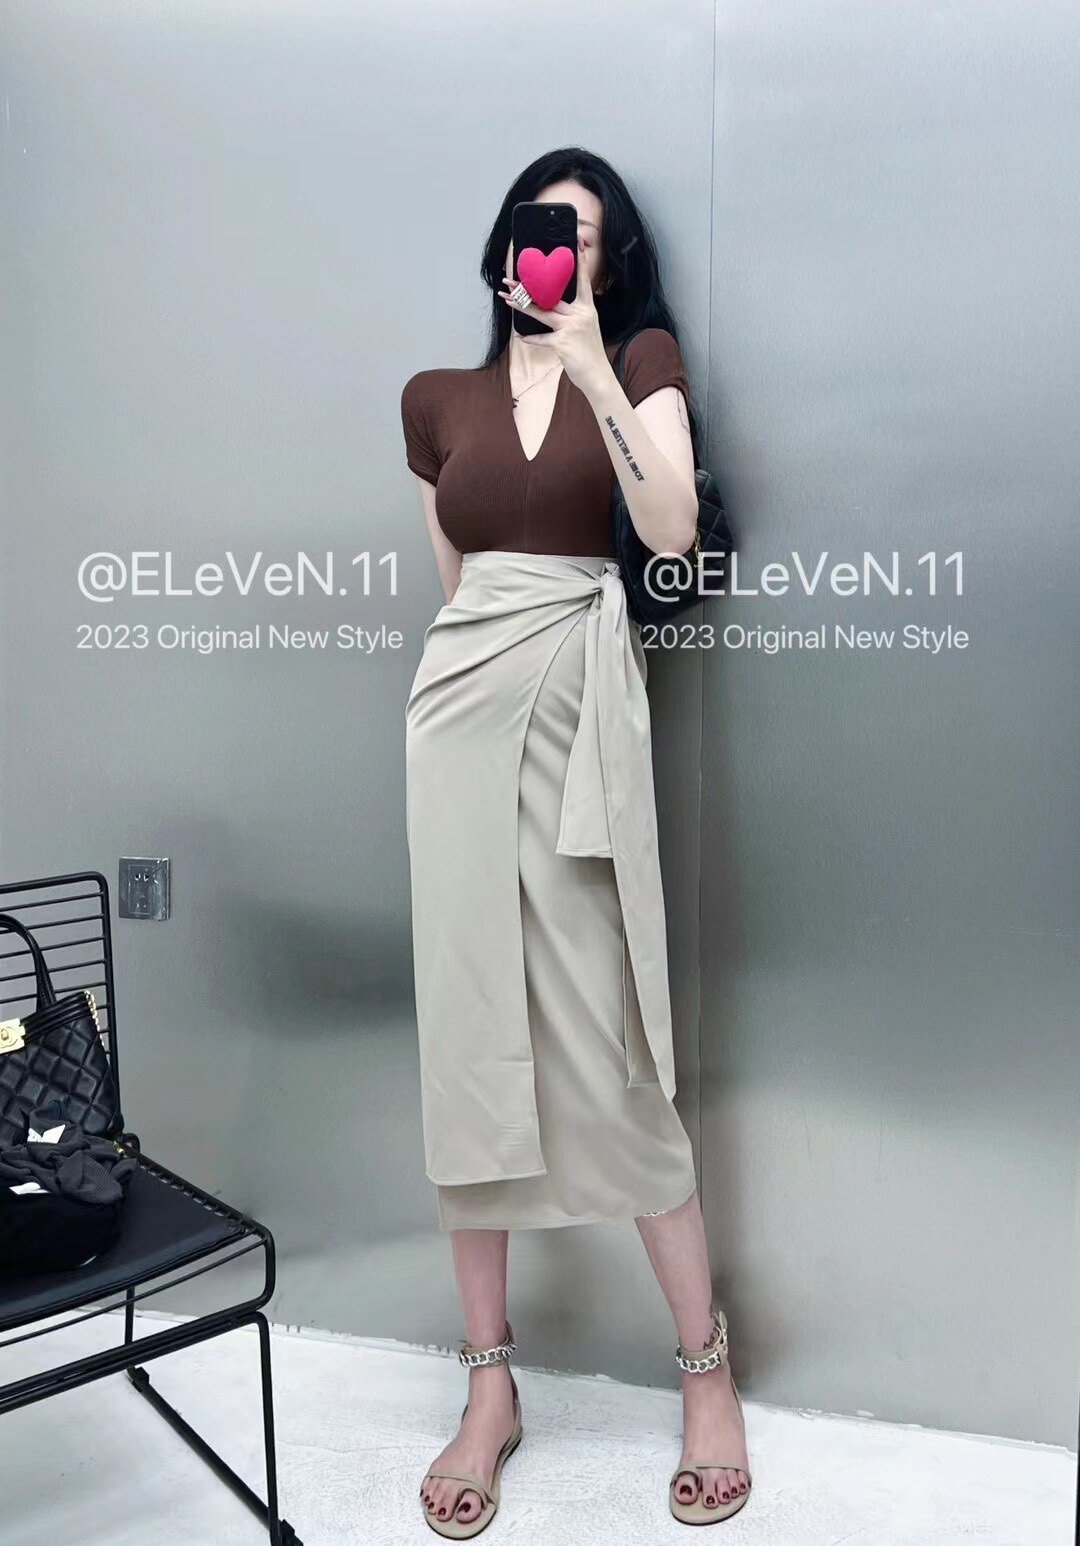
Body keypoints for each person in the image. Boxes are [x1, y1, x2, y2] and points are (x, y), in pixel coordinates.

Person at [400, 147, 751, 1537]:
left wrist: (594, 357)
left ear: (613, 262)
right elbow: (456, 586)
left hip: (577, 710)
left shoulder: (642, 357)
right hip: (458, 720)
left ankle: (706, 1368)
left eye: (587, 235)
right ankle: (489, 1387)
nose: (561, 248)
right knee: (466, 1037)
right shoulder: (437, 400)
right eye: (545, 228)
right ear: (507, 244)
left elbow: (666, 530)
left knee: (613, 1042)